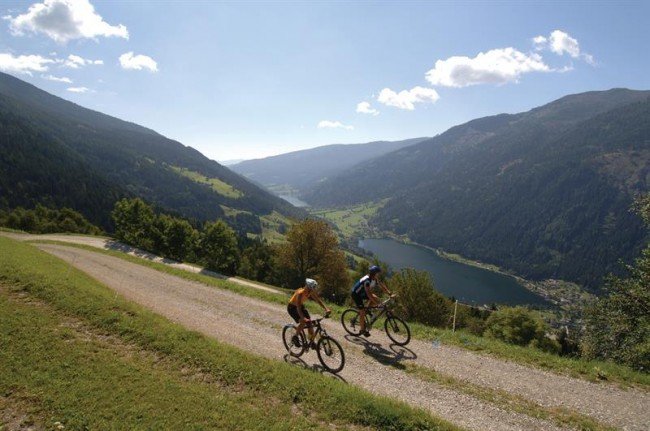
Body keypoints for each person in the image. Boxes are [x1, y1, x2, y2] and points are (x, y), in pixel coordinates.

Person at [288, 278, 331, 348]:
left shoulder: (310, 292)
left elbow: (318, 301)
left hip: (300, 307)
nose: (312, 290)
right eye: (311, 288)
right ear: (307, 286)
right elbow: (298, 308)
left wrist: (326, 309)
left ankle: (311, 342)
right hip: (292, 308)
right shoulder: (300, 293)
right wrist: (303, 318)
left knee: (310, 323)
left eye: (313, 289)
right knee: (303, 322)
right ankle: (295, 337)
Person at [351, 265, 393, 337]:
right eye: (378, 273)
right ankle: (362, 330)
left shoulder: (374, 278)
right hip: (356, 294)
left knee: (375, 298)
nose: (378, 275)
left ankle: (367, 310)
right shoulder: (367, 281)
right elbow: (369, 294)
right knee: (362, 311)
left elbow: (381, 285)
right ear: (374, 273)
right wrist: (377, 304)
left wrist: (389, 293)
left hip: (362, 292)